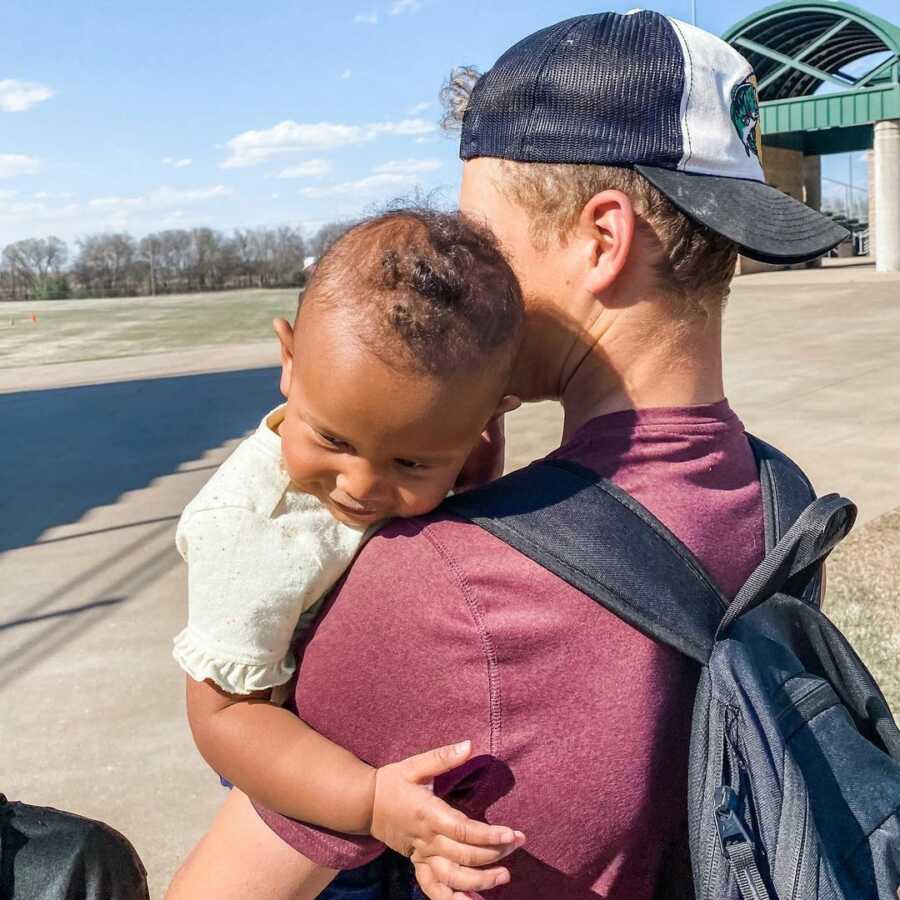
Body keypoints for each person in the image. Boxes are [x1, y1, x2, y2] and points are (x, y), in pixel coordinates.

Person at [167, 10, 847, 900]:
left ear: (602, 241)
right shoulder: (780, 500)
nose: (456, 280)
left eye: (480, 237)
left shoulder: (450, 584)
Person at [171, 209, 526, 897]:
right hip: (305, 782)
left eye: (412, 461)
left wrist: (471, 477)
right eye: (332, 440)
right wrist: (367, 803)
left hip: (390, 774)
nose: (361, 484)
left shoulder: (425, 430)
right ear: (288, 360)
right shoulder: (251, 527)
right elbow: (223, 721)